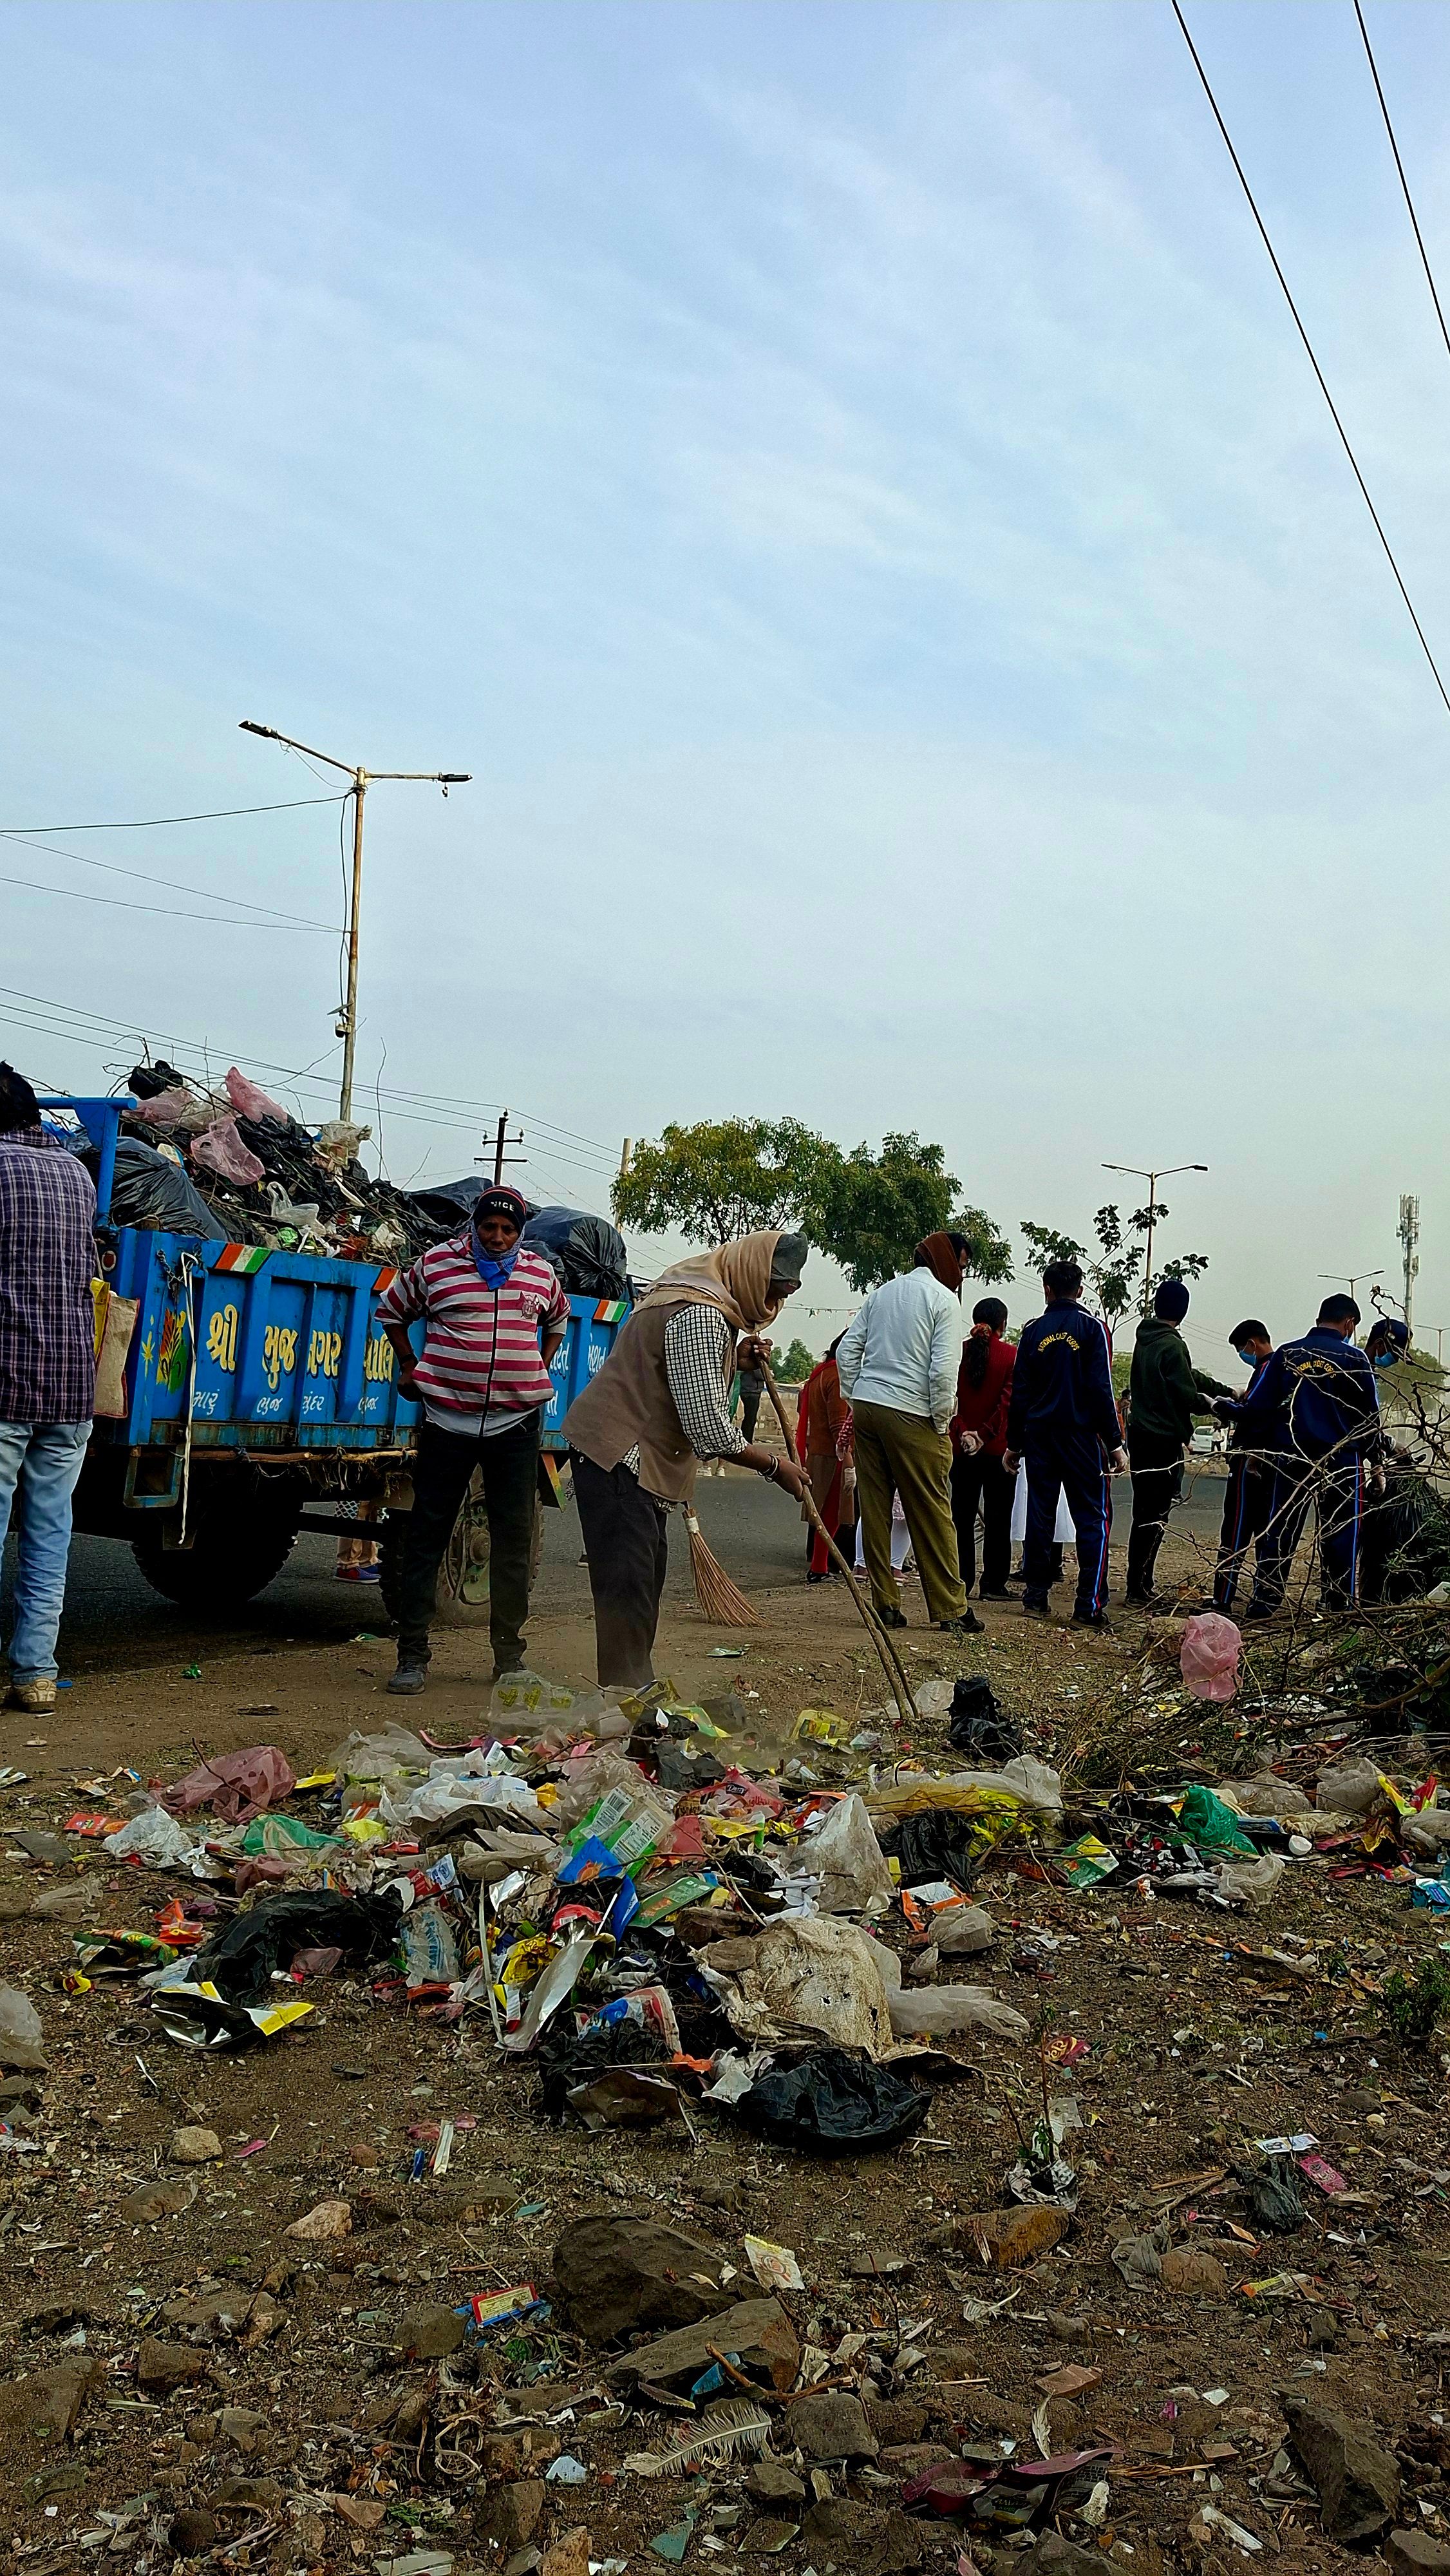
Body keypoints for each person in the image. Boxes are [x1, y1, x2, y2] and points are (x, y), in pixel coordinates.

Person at [563, 1231, 811, 1685]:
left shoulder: (696, 1294)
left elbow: (674, 1366)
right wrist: (775, 1467)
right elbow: (708, 1426)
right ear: (752, 1272)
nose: (776, 1300)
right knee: (629, 1592)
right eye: (774, 1287)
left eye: (786, 1292)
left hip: (628, 1458)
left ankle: (632, 1695)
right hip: (621, 1455)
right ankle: (626, 1703)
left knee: (642, 1582)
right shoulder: (701, 1312)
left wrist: (734, 1360)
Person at [377, 1184, 571, 1694]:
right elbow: (392, 1311)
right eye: (489, 1227)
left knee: (513, 1542)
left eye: (509, 1229)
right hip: (447, 1420)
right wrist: (408, 1364)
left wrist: (538, 1364)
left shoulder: (539, 1273)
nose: (499, 1238)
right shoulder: (436, 1266)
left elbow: (558, 1319)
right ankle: (413, 1656)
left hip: (516, 1424)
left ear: (521, 1232)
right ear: (475, 1226)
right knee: (427, 1537)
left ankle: (509, 1658)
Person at [0, 1064, 97, 1717]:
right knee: (49, 1533)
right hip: (69, 1386)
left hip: (4, 1382)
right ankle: (35, 1674)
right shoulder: (78, 1174)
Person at [834, 1233, 981, 1639]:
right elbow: (942, 1370)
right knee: (933, 1510)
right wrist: (939, 1421)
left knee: (875, 1508)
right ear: (948, 1261)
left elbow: (848, 1352)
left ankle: (885, 1605)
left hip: (868, 1406)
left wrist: (855, 1395)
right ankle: (951, 1607)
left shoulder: (881, 1294)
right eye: (963, 1264)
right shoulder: (944, 1300)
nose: (963, 1273)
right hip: (913, 1411)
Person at [1237, 1293, 1380, 1616]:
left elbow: (1258, 1408)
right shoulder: (1356, 1360)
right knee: (1341, 1533)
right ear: (1349, 1324)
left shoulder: (1287, 1354)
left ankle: (1265, 1602)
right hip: (1342, 1461)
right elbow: (1369, 1421)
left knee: (1281, 1528)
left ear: (1319, 1318)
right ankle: (1336, 1603)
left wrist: (1231, 1417)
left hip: (1293, 1457)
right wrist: (1376, 1460)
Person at [1003, 1259, 1128, 1629]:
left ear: (1047, 1290)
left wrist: (1014, 1443)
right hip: (1080, 1436)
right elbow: (1101, 1390)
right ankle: (1087, 1605)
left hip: (1040, 1437)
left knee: (1040, 1515)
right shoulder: (1094, 1329)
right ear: (1081, 1289)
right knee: (1093, 1518)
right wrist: (1116, 1442)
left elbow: (1020, 1393)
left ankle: (1035, 1596)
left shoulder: (1031, 1332)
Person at [1124, 1279, 1231, 1607]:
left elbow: (1188, 1376)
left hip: (1140, 1435)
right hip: (1163, 1439)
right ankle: (1138, 1587)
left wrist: (1222, 1391)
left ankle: (1140, 1581)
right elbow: (1186, 1392)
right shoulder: (1172, 1344)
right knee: (1155, 1515)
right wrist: (1216, 1405)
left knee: (1143, 1511)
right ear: (1183, 1310)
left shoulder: (1147, 1339)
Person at [950, 1298, 1015, 1599]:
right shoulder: (1011, 1356)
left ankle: (961, 1580)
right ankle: (993, 1585)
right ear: (1002, 1324)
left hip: (962, 1449)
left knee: (961, 1518)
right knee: (999, 1519)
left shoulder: (956, 1353)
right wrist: (985, 1435)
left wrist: (966, 1433)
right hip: (999, 1452)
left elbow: (948, 1398)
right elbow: (1008, 1404)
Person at [1210, 1319, 1276, 1613]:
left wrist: (1220, 1406)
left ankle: (1222, 1599)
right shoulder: (1276, 1371)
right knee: (1266, 1532)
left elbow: (1253, 1415)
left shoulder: (1266, 1370)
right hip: (1271, 1464)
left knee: (1235, 1531)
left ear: (1252, 1344)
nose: (1243, 1354)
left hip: (1250, 1460)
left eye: (1241, 1349)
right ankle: (1263, 1599)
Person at [795, 1335, 856, 1580]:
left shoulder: (820, 1373)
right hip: (835, 1456)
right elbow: (839, 1424)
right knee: (831, 1516)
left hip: (820, 1452)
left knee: (825, 1515)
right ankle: (819, 1568)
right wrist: (849, 1459)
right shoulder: (838, 1377)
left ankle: (820, 1566)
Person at [735, 1349, 766, 1444]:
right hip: (752, 1392)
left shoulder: (746, 1362)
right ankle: (746, 1440)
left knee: (749, 1418)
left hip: (747, 1391)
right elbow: (761, 1376)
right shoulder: (753, 1364)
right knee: (751, 1418)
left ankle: (746, 1439)